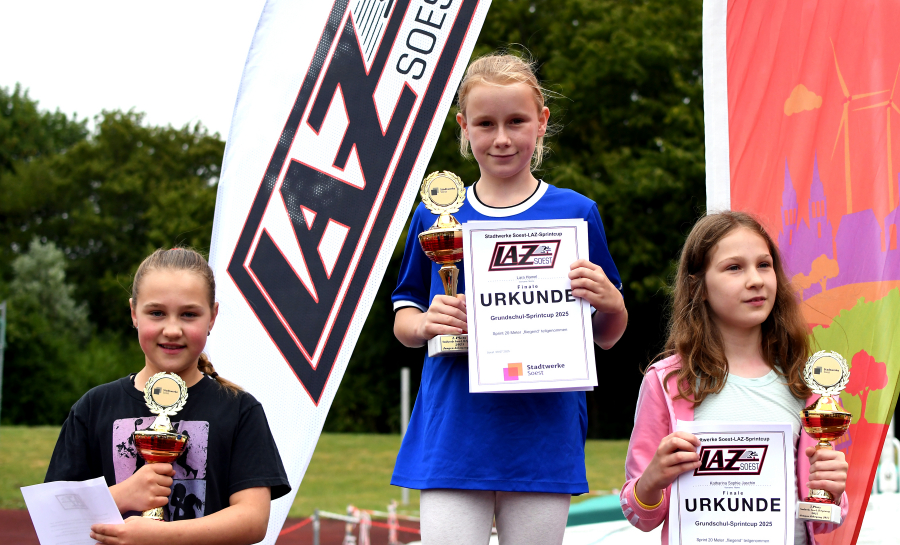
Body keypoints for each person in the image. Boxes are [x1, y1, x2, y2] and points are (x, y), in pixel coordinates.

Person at [391, 52, 628, 544]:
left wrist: (611, 303)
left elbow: (607, 336)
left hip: (541, 436)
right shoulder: (436, 217)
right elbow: (404, 320)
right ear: (464, 127)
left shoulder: (577, 214)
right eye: (486, 123)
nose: (501, 138)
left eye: (516, 121)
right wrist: (426, 322)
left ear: (541, 123)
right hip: (454, 434)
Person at [620, 211, 849, 545]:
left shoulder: (809, 385)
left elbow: (824, 523)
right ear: (699, 288)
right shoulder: (666, 382)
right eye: (734, 267)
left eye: (764, 265)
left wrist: (829, 492)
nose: (755, 279)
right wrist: (651, 481)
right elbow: (641, 516)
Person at [45, 248, 290, 545]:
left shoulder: (239, 409)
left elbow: (253, 519)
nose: (172, 329)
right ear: (134, 313)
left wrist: (161, 537)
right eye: (156, 312)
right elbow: (53, 518)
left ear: (212, 317)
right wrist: (121, 495)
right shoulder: (94, 408)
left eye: (189, 314)